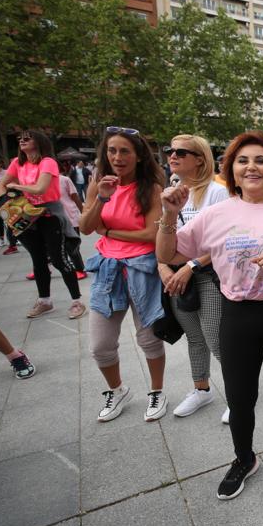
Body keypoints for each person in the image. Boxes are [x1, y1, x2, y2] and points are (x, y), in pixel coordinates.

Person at [157, 130, 263, 500]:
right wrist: (169, 215)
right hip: (237, 312)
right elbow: (169, 254)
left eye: (260, 160)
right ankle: (243, 458)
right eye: (242, 161)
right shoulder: (216, 214)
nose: (251, 167)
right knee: (239, 397)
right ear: (232, 171)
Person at [79, 127, 167, 422]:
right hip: (108, 269)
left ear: (139, 155)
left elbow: (151, 234)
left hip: (142, 269)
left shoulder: (151, 188)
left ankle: (157, 391)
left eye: (125, 151)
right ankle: (116, 389)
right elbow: (85, 227)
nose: (117, 157)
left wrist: (111, 231)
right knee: (100, 345)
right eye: (112, 151)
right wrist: (102, 198)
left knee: (149, 339)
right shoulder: (99, 185)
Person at [161, 135, 230, 419]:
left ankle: (239, 395)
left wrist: (191, 266)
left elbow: (226, 240)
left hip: (208, 275)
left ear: (200, 158)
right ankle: (201, 390)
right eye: (169, 151)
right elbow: (162, 239)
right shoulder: (171, 191)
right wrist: (164, 268)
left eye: (181, 152)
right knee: (194, 338)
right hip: (177, 278)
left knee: (216, 339)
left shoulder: (217, 192)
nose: (172, 156)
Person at [0, 130, 85, 319]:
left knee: (59, 258)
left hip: (49, 214)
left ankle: (77, 301)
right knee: (37, 259)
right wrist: (9, 204)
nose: (22, 140)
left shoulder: (48, 162)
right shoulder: (17, 162)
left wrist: (17, 187)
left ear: (39, 142)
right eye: (20, 138)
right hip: (26, 216)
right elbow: (0, 186)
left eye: (27, 138)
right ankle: (45, 301)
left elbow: (41, 188)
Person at [57, 161, 86, 278]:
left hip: (70, 218)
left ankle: (79, 269)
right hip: (51, 219)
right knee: (51, 248)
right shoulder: (38, 182)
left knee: (72, 247)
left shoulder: (64, 180)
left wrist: (84, 213)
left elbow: (75, 197)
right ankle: (43, 268)